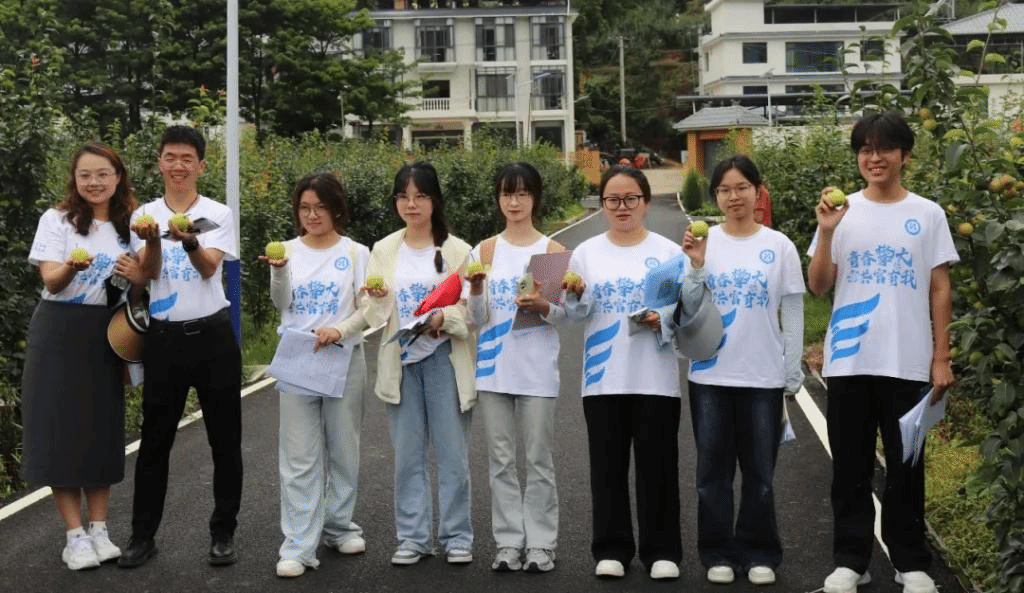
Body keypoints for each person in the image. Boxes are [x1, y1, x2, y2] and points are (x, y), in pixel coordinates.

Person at [807, 111, 957, 593]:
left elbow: (939, 287)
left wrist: (941, 357)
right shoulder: (840, 212)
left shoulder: (928, 214)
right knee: (849, 467)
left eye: (885, 148)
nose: (875, 157)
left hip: (908, 359)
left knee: (906, 466)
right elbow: (819, 286)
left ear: (904, 155)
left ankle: (910, 561)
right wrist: (826, 232)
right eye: (866, 149)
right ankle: (851, 561)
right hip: (850, 360)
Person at [21, 142, 158, 570]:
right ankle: (74, 536)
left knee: (101, 428)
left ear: (118, 177)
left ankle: (99, 529)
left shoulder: (132, 225)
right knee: (59, 428)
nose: (94, 182)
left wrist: (141, 269)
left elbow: (145, 281)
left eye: (103, 174)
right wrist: (72, 267)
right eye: (85, 175)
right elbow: (51, 281)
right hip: (59, 330)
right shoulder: (57, 220)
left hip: (107, 333)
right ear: (74, 179)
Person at [564, 164, 703, 581]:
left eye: (630, 199)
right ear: (602, 204)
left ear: (645, 202)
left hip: (655, 376)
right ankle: (611, 548)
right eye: (612, 199)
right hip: (602, 376)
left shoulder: (670, 252)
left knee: (658, 466)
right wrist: (576, 296)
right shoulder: (585, 253)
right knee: (606, 468)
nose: (622, 206)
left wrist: (664, 319)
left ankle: (662, 551)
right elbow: (576, 313)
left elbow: (686, 311)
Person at [118, 125, 243, 569]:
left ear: (201, 166)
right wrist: (152, 240)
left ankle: (223, 533)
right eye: (170, 157)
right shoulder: (144, 215)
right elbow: (149, 273)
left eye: (187, 158)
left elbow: (209, 269)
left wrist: (188, 240)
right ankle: (142, 536)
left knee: (225, 441)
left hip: (213, 337)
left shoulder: (218, 213)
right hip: (165, 339)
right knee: (155, 442)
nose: (178, 165)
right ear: (159, 163)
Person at [684, 155, 805, 586]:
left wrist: (792, 369)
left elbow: (793, 309)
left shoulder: (779, 245)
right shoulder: (703, 241)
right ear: (715, 196)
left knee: (760, 474)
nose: (733, 197)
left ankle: (759, 552)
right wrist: (697, 264)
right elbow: (688, 306)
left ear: (757, 191)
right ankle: (717, 552)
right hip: (709, 375)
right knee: (711, 474)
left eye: (741, 188)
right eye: (724, 190)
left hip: (762, 376)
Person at [364, 161, 476, 566]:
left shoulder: (459, 251)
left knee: (452, 455)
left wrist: (446, 318)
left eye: (420, 196)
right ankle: (413, 538)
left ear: (435, 200)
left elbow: (473, 308)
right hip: (402, 360)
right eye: (403, 197)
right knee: (408, 457)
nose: (411, 204)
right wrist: (377, 298)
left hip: (445, 357)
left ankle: (457, 537)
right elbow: (374, 313)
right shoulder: (383, 249)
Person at [261, 173, 372, 578]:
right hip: (297, 359)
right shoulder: (287, 251)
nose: (312, 215)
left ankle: (339, 526)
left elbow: (369, 309)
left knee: (344, 449)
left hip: (343, 357)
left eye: (320, 207)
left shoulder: (356, 253)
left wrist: (339, 330)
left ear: (336, 209)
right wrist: (278, 272)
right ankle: (298, 545)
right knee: (298, 457)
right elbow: (281, 302)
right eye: (305, 208)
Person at [466, 163, 565, 573]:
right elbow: (475, 317)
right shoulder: (484, 251)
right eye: (508, 193)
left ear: (535, 198)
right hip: (493, 371)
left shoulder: (551, 252)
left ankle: (541, 543)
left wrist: (543, 305)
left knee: (539, 459)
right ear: (498, 199)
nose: (515, 202)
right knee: (500, 461)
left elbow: (563, 316)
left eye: (523, 193)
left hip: (537, 371)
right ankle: (508, 542)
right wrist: (475, 290)